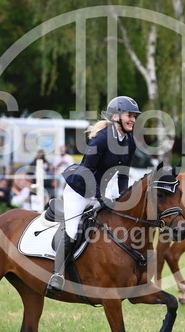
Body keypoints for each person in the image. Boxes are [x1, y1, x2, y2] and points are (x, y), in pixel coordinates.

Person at [47, 95, 140, 294]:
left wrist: (123, 198)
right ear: (115, 117)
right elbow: (87, 170)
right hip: (79, 190)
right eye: (129, 115)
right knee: (73, 230)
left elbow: (123, 174)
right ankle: (57, 274)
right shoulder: (101, 138)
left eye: (134, 116)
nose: (133, 119)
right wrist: (100, 198)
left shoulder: (130, 141)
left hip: (100, 190)